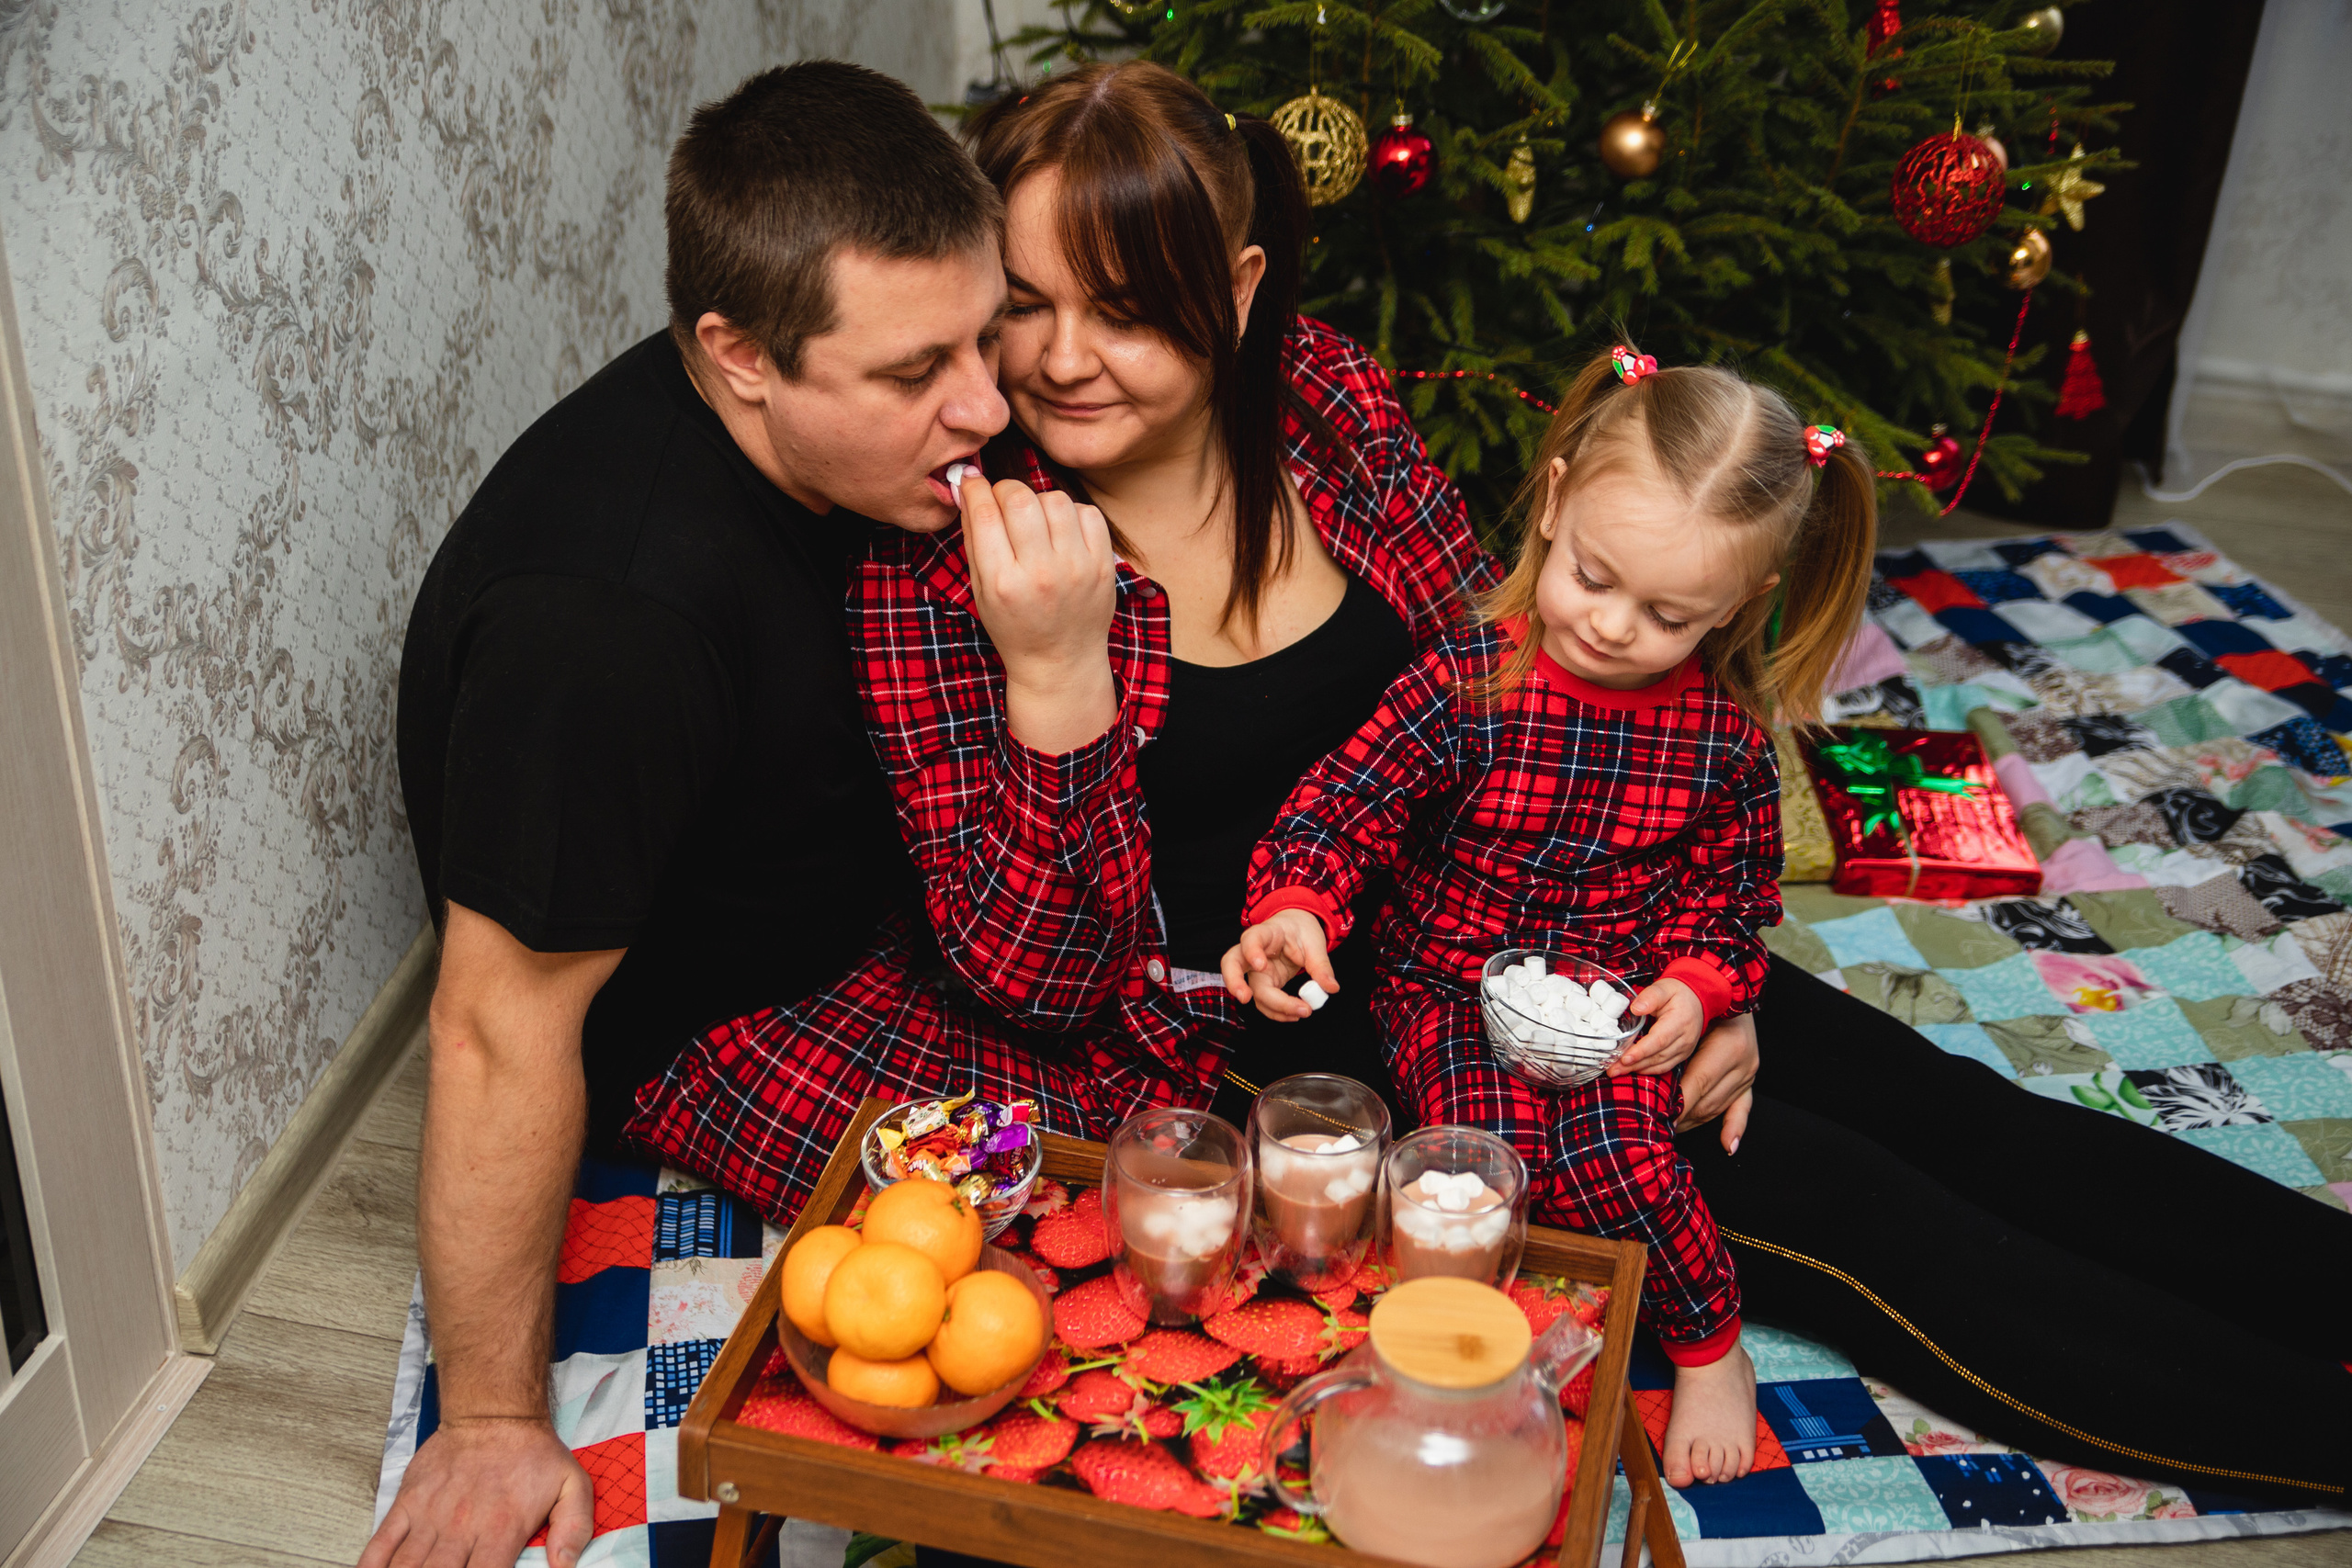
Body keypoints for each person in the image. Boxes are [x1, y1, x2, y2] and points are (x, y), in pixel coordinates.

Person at [622, 58, 1516, 1213]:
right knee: (1702, 1178)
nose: (1060, 362)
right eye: (1023, 305)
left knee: (1770, 1047)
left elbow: (1497, 676)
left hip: (1451, 925)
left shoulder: (1323, 395)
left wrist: (1668, 951)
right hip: (1203, 1038)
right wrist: (1053, 671)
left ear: (1238, 292)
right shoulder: (938, 548)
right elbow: (1038, 985)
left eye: (1128, 313)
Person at [373, 62, 1023, 1568]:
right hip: (713, 1025)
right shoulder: (605, 630)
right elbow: (495, 1027)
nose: (984, 404)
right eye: (917, 369)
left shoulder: (811, 423)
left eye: (984, 337)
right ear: (737, 353)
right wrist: (488, 1420)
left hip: (852, 904)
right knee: (1075, 1198)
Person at [1223, 345, 1877, 1487]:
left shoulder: (1719, 745)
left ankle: (1706, 1344)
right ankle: (1474, 1358)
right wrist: (1297, 903)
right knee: (1471, 1176)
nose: (1615, 627)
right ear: (1558, 500)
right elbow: (1343, 806)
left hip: (1606, 1000)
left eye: (1669, 613)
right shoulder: (1469, 680)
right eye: (1592, 577)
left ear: (1742, 605)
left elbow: (1732, 896)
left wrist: (1701, 985)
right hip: (1443, 990)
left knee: (1629, 1167)